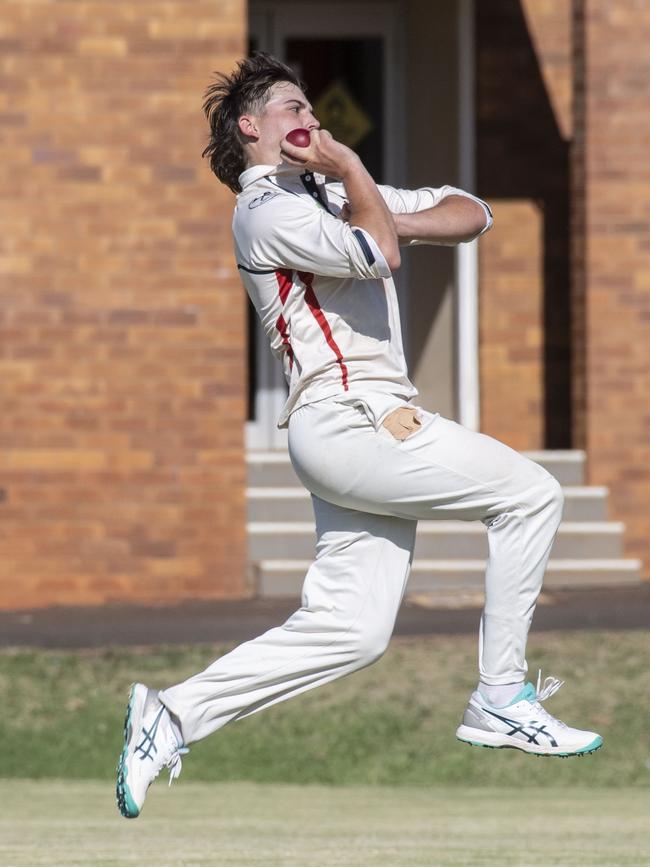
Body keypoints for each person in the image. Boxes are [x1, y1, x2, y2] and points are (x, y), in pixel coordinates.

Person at [116, 53, 602, 819]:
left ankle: (171, 715)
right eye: (290, 106)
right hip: (352, 417)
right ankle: (501, 695)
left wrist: (374, 203)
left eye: (312, 104)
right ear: (250, 128)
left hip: (355, 428)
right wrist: (355, 176)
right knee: (531, 493)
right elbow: (379, 256)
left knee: (352, 630)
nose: (310, 116)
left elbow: (473, 210)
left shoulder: (340, 197)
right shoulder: (266, 209)